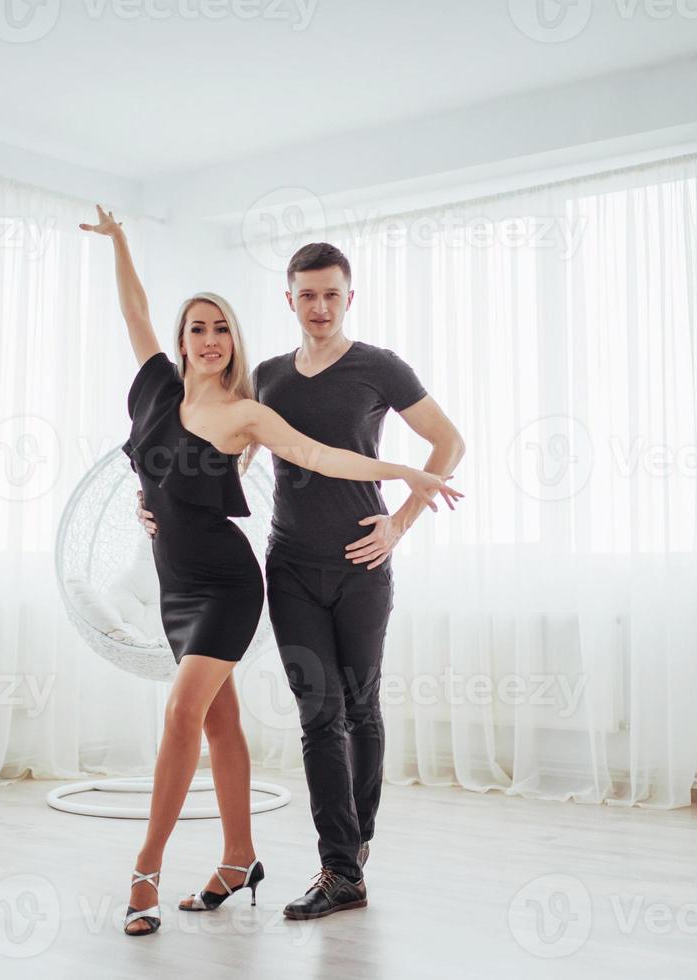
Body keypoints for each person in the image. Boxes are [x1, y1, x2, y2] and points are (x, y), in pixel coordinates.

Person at [79, 208, 460, 937]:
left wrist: (404, 489)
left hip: (280, 576)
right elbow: (137, 321)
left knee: (304, 711)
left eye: (221, 330)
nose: (209, 341)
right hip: (224, 577)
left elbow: (327, 455)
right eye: (197, 328)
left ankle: (156, 868)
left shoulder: (305, 390)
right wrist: (122, 240)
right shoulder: (201, 386)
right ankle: (267, 860)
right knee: (257, 724)